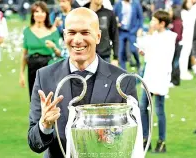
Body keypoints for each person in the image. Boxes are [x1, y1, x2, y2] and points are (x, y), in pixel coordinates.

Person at [28, 7, 137, 157]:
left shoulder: (122, 81)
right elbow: (34, 143)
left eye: (85, 33)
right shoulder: (45, 76)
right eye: (71, 33)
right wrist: (44, 125)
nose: (77, 40)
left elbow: (132, 141)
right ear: (65, 35)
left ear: (98, 36)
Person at [139, 10, 177, 153]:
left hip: (160, 77)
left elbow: (162, 57)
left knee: (159, 110)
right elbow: (150, 55)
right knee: (143, 107)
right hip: (149, 76)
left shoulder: (169, 37)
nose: (152, 23)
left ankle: (162, 141)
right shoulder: (154, 36)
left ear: (162, 23)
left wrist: (147, 51)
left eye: (155, 20)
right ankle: (145, 138)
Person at [19, 1, 61, 100]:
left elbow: (59, 53)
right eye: (37, 11)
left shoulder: (53, 30)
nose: (39, 14)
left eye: (42, 12)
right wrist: (21, 73)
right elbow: (24, 53)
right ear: (33, 14)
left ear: (46, 14)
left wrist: (54, 46)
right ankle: (36, 116)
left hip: (48, 65)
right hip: (32, 66)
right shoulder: (27, 31)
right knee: (33, 97)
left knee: (48, 97)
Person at [83, 0, 119, 64]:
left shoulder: (109, 14)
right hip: (85, 56)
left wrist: (115, 57)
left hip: (104, 57)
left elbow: (115, 36)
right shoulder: (82, 13)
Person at [114, 0, 144, 70]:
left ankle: (138, 64)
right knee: (120, 52)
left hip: (132, 31)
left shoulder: (135, 3)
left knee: (133, 49)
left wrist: (140, 28)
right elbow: (113, 15)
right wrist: (116, 22)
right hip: (121, 31)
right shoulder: (119, 4)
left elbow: (140, 17)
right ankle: (124, 70)